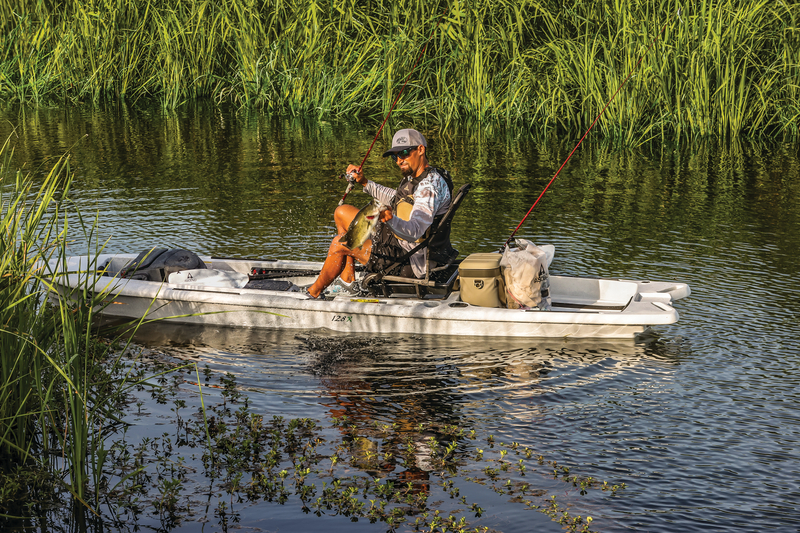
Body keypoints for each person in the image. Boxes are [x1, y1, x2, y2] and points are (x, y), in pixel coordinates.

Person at [305, 128, 457, 299]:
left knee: (339, 244)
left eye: (405, 153)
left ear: (421, 150)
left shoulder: (428, 188)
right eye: (395, 156)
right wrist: (365, 183)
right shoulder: (422, 176)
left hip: (409, 259)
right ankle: (348, 281)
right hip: (399, 242)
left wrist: (391, 220)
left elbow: (416, 231)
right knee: (342, 212)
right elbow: (397, 198)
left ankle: (313, 293)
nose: (399, 160)